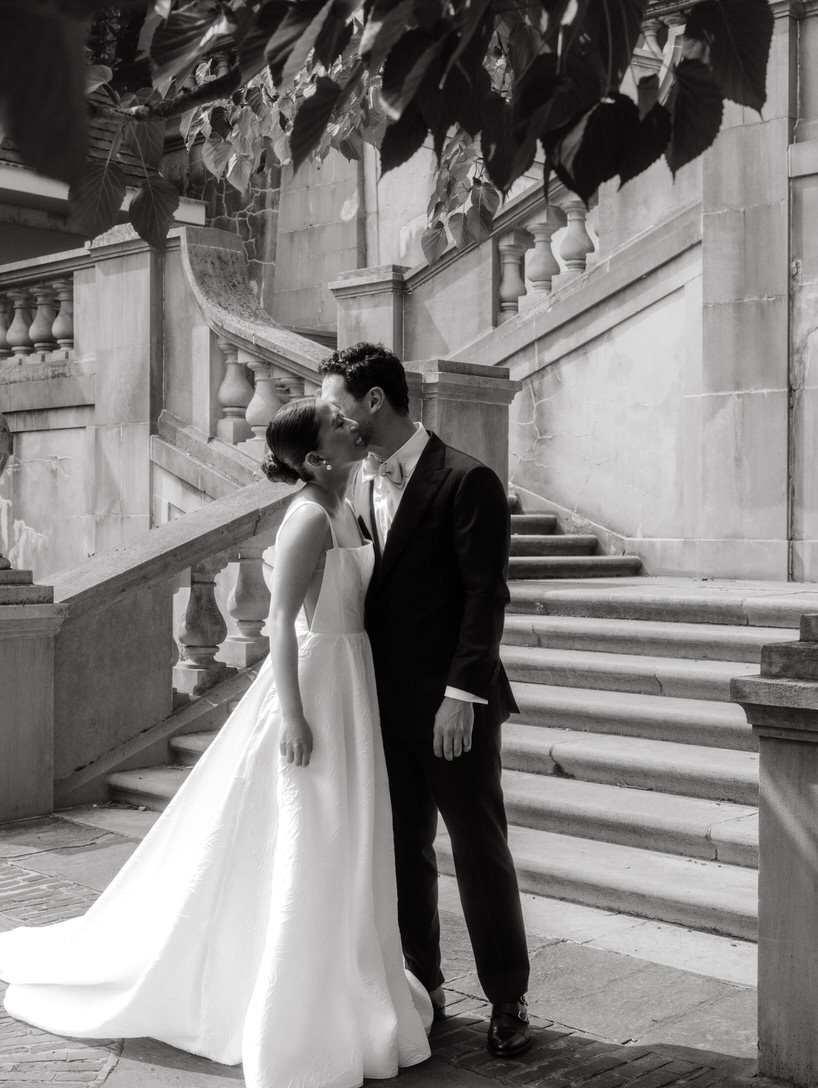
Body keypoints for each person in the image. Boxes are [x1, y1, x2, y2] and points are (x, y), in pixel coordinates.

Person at [0, 396, 432, 1088]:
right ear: (316, 459)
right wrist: (291, 716)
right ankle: (293, 1001)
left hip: (352, 682)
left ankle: (347, 978)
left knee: (344, 835)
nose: (352, 424)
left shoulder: (351, 506)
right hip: (316, 686)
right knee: (308, 832)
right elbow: (282, 623)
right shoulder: (309, 518)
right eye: (337, 425)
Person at [318, 343, 533, 1059]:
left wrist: (461, 695)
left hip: (454, 710)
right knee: (405, 851)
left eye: (336, 405)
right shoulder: (352, 484)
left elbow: (484, 597)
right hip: (381, 706)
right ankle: (424, 989)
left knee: (479, 850)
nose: (331, 417)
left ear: (373, 401)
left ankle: (508, 998)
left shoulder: (467, 480)